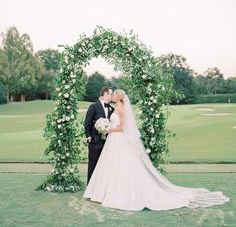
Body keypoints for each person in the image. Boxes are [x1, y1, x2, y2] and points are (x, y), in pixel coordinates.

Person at [83, 89, 229, 211]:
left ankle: (120, 192)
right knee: (112, 165)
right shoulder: (113, 108)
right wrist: (107, 129)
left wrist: (109, 129)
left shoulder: (120, 109)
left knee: (122, 166)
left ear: (119, 97)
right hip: (113, 142)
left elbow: (123, 127)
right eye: (111, 94)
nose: (112, 95)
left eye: (114, 94)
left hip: (117, 139)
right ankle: (104, 191)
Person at [84, 86, 114, 184]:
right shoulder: (94, 106)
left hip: (108, 142)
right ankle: (90, 188)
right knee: (93, 165)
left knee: (104, 165)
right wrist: (89, 137)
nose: (112, 96)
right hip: (95, 141)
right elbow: (87, 122)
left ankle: (101, 187)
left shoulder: (111, 109)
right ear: (105, 94)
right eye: (111, 94)